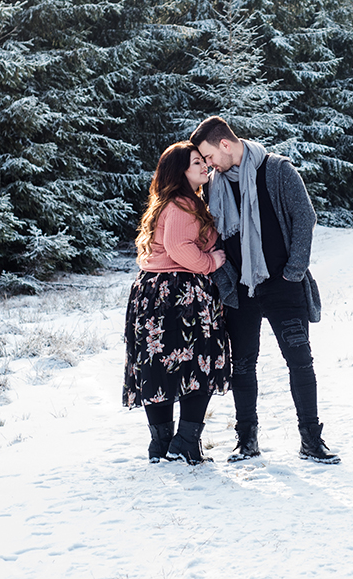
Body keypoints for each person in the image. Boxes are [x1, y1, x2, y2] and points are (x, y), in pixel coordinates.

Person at [189, 116, 340, 464]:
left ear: (225, 144)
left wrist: (294, 271)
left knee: (300, 362)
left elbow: (305, 217)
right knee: (243, 365)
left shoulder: (277, 171)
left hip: (284, 285)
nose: (208, 165)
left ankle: (311, 441)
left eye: (209, 156)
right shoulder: (215, 185)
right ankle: (247, 441)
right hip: (240, 289)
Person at [124, 141, 231, 465]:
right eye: (196, 163)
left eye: (203, 161)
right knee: (198, 364)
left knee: (158, 367)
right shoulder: (184, 204)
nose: (204, 167)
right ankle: (184, 441)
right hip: (180, 294)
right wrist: (211, 261)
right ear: (180, 172)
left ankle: (161, 444)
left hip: (153, 294)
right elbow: (179, 247)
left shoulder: (168, 203)